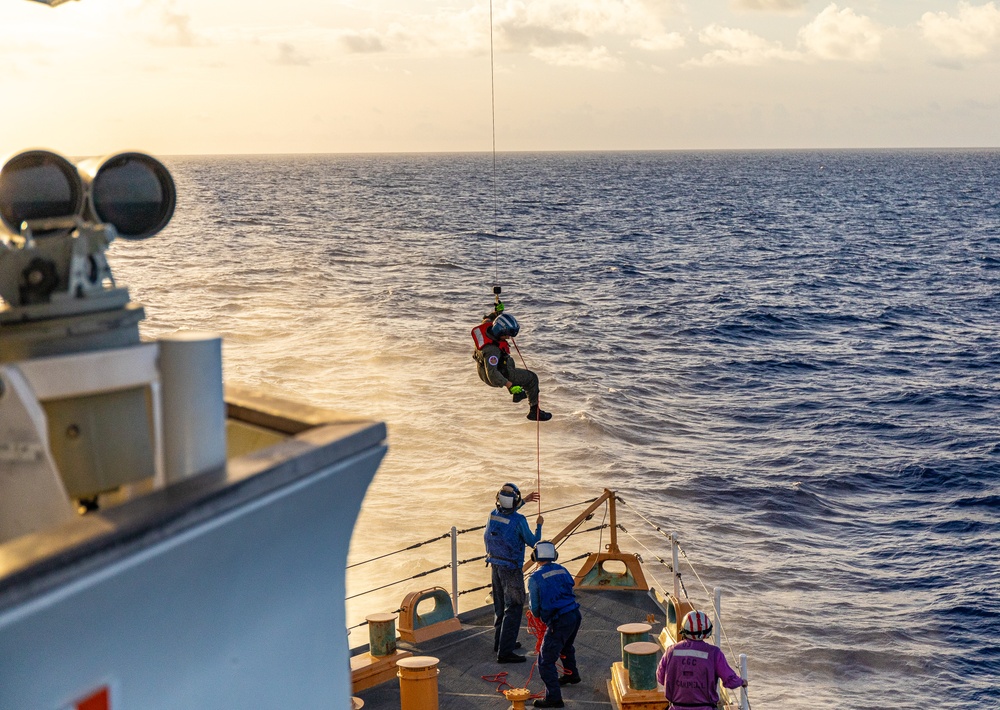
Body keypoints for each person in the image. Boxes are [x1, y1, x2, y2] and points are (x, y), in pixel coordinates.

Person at [484, 482, 543, 663]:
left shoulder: (493, 515)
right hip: (511, 569)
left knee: (500, 606)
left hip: (495, 567)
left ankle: (500, 642)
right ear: (515, 500)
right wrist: (539, 525)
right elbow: (534, 541)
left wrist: (523, 501)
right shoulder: (519, 520)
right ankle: (505, 652)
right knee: (514, 607)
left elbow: (506, 513)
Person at [527, 541, 582, 709]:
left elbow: (534, 607)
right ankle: (571, 674)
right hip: (575, 615)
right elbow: (570, 587)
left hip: (559, 621)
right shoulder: (562, 569)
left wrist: (539, 616)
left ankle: (554, 698)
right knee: (566, 646)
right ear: (554, 555)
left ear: (535, 557)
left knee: (544, 661)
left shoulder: (534, 578)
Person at [656, 610, 747, 710]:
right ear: (707, 631)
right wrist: (742, 682)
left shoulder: (671, 651)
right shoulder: (714, 653)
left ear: (683, 630)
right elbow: (730, 681)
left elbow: (661, 677)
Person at [471, 309, 552, 421]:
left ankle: (518, 395)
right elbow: (492, 374)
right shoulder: (492, 351)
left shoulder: (487, 326)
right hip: (493, 374)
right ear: (500, 332)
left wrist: (497, 312)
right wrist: (509, 385)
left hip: (482, 368)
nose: (509, 338)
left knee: (512, 365)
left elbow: (488, 318)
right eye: (507, 335)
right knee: (532, 378)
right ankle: (534, 411)